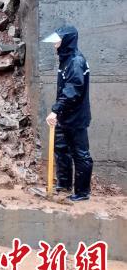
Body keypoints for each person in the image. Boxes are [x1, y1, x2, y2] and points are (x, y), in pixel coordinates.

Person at [43, 25, 92, 202]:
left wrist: (56, 110)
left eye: (58, 41)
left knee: (80, 153)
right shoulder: (66, 60)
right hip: (65, 116)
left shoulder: (76, 61)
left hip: (76, 118)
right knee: (61, 149)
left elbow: (74, 90)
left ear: (67, 41)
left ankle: (82, 192)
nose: (55, 44)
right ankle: (63, 185)